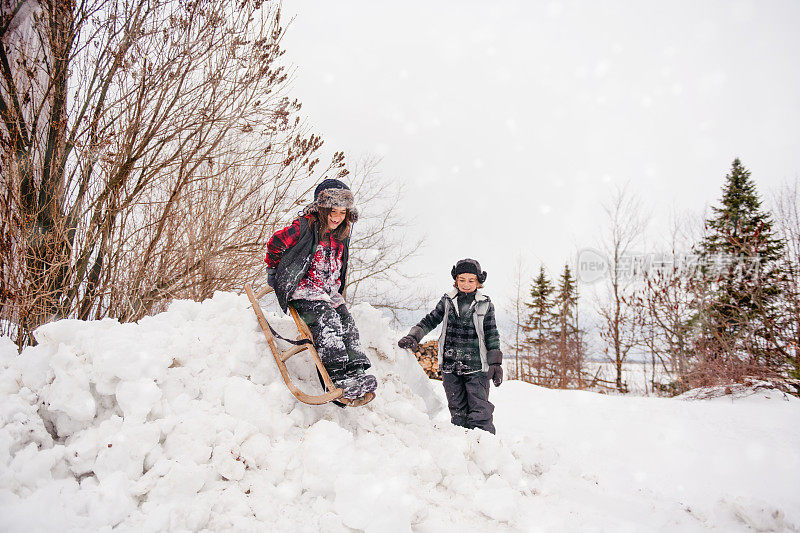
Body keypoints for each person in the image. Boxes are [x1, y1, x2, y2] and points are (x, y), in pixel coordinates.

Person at [265, 179, 377, 401]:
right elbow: (275, 242)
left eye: (342, 212)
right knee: (328, 321)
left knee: (346, 321)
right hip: (304, 290)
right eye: (332, 211)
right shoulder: (305, 226)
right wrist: (274, 270)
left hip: (327, 292)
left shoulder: (341, 234)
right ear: (321, 208)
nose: (336, 217)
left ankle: (355, 371)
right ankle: (336, 375)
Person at [398, 259, 502, 434]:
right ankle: (461, 447)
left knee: (480, 411)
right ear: (456, 280)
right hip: (450, 366)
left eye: (471, 280)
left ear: (478, 281)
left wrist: (496, 363)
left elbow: (492, 333)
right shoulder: (447, 301)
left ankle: (484, 447)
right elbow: (431, 320)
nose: (466, 284)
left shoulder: (485, 304)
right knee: (457, 412)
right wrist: (413, 335)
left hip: (476, 367)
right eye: (462, 280)